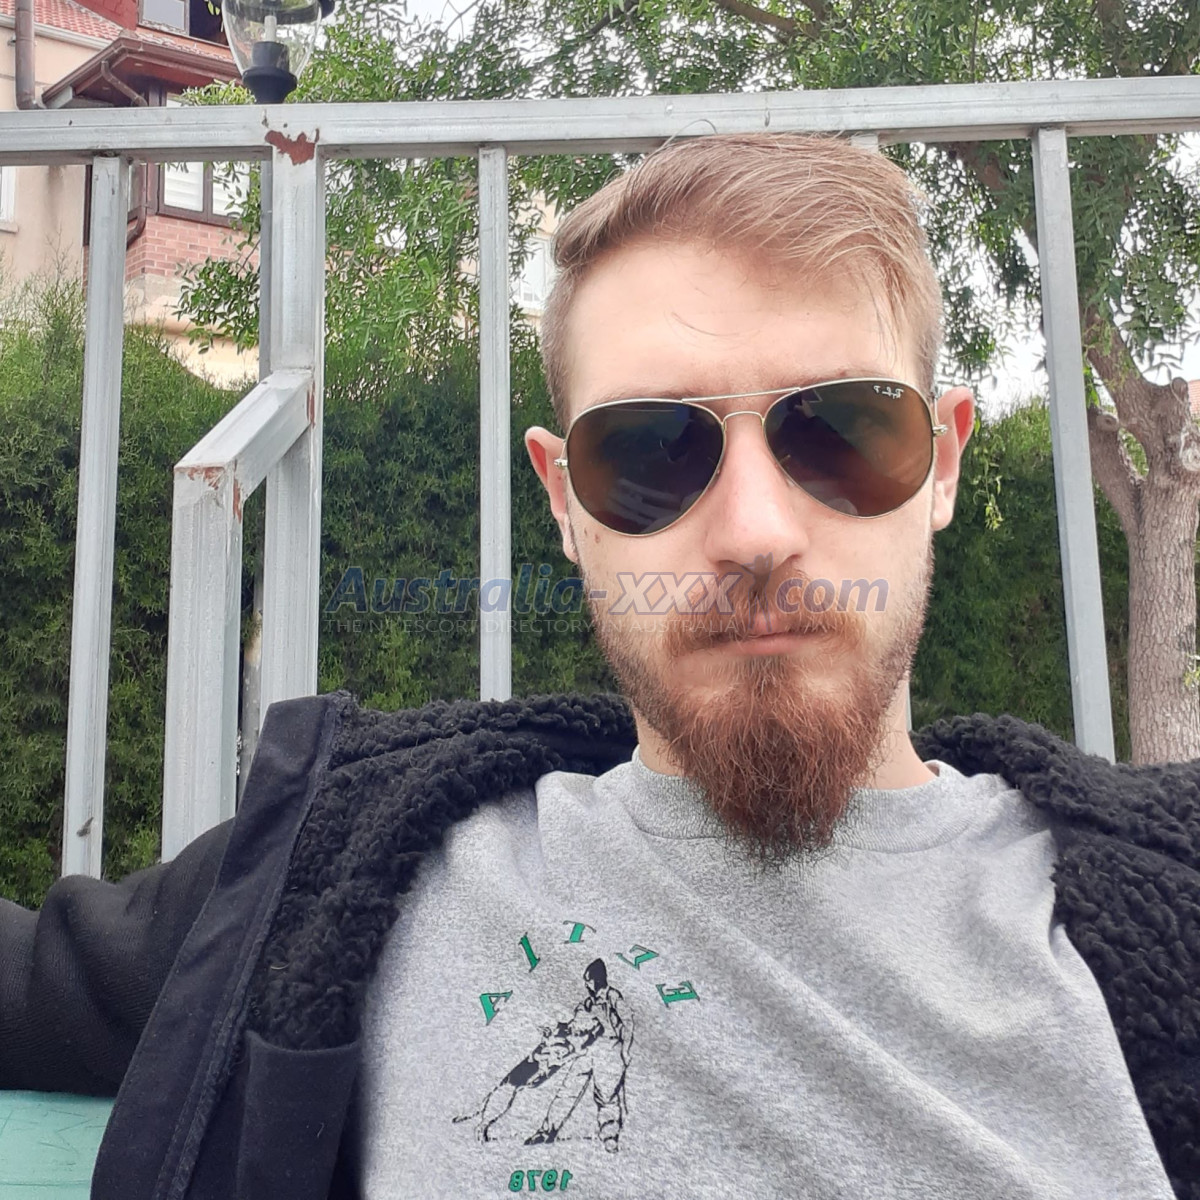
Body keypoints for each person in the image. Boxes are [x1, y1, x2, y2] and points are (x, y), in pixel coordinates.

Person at [2, 133, 1198, 1200]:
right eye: (650, 452)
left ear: (940, 464)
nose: (754, 534)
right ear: (564, 500)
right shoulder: (346, 864)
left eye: (841, 432)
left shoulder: (1166, 901)